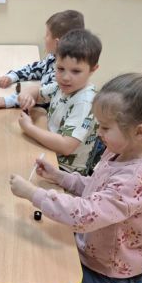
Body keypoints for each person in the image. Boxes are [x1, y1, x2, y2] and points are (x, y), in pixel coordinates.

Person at [9, 50, 142, 283]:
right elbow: (95, 189)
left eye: (105, 128)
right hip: (94, 253)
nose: (99, 132)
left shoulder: (136, 179)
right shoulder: (119, 152)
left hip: (112, 278)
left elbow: (85, 214)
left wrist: (33, 194)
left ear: (140, 132)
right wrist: (61, 177)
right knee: (30, 250)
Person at [18, 29, 102, 175]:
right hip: (50, 150)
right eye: (60, 68)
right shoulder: (61, 86)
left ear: (93, 69)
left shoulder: (85, 103)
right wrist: (26, 95)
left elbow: (66, 146)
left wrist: (29, 128)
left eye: (76, 71)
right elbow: (37, 92)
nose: (65, 77)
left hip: (66, 171)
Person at [0, 9, 84, 109]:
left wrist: (9, 101)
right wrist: (13, 76)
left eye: (47, 35)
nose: (44, 38)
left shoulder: (64, 74)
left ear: (57, 43)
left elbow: (43, 94)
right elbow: (36, 68)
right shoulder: (53, 57)